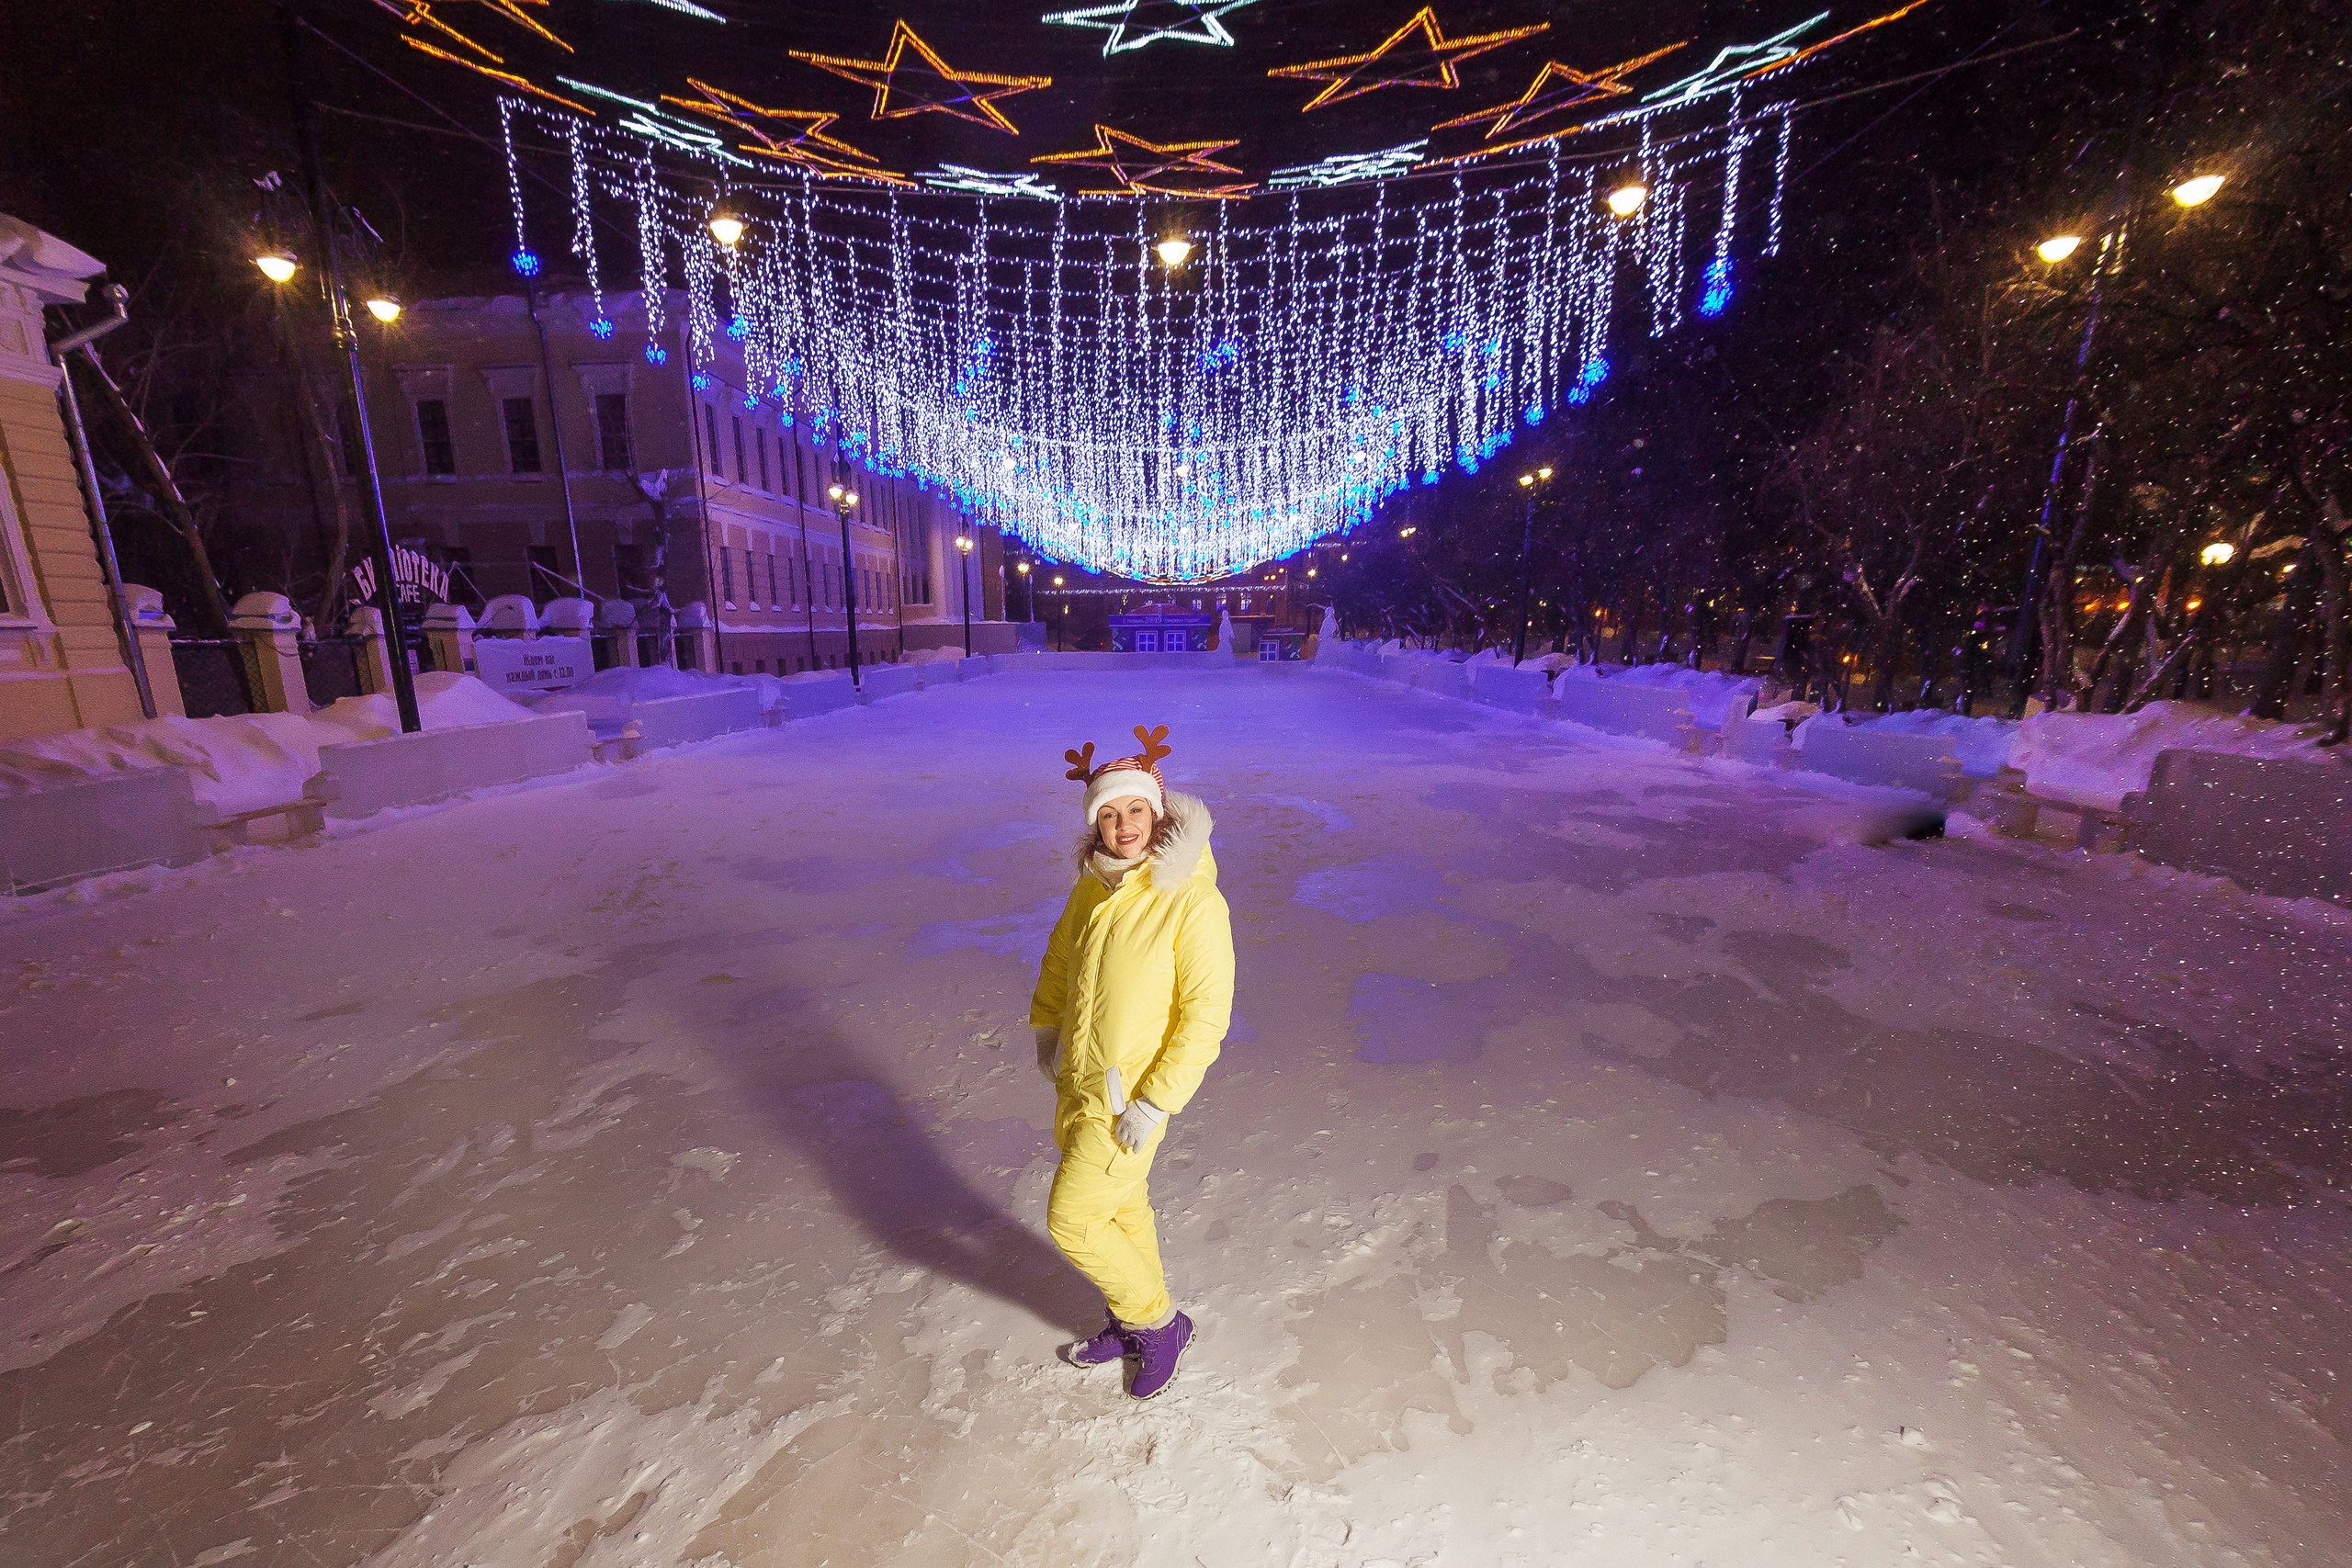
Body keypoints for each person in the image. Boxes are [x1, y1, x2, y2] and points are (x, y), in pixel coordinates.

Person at [1030, 723, 1233, 1400]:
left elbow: (1206, 1014)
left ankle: (1156, 1322)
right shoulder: (1094, 885)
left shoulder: (1192, 901)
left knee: (1074, 1217)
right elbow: (1062, 959)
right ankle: (1129, 1316)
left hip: (1130, 1099)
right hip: (1080, 1081)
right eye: (1109, 813)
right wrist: (1048, 1032)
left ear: (1159, 810)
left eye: (1135, 809)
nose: (1123, 825)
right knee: (1123, 1210)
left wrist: (1154, 1102)